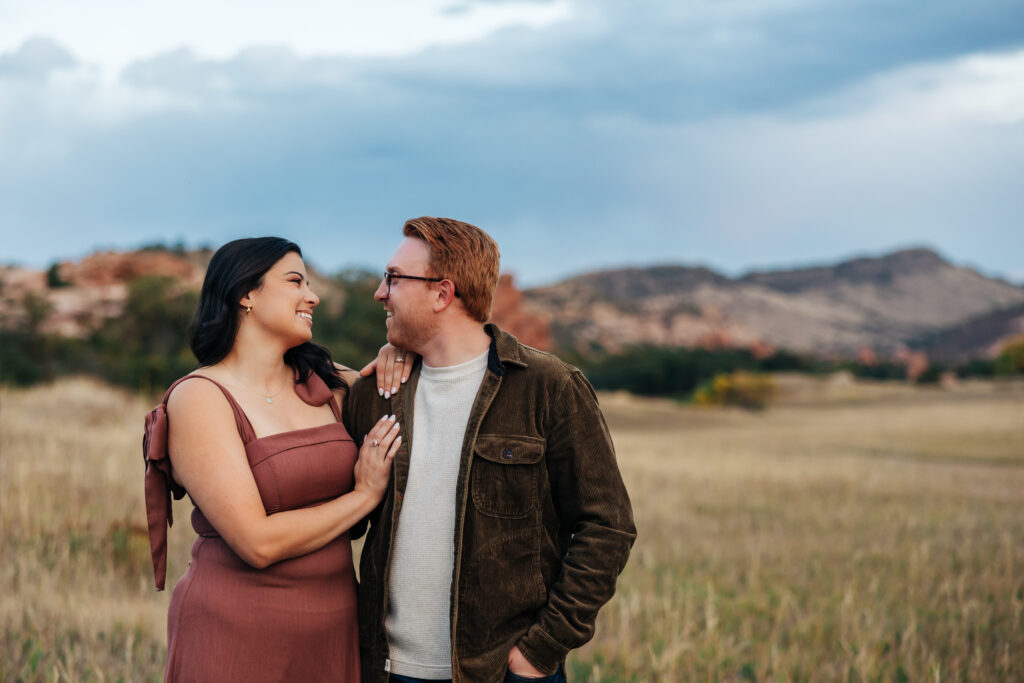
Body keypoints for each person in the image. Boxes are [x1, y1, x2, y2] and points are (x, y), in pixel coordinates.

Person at [344, 217, 636, 683]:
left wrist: (541, 650)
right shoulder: (375, 393)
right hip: (384, 670)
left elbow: (608, 527)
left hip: (502, 672)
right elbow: (351, 522)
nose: (380, 292)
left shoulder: (551, 388)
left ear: (442, 293)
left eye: (394, 278)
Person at [142, 237, 410, 682]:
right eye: (295, 281)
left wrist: (395, 354)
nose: (313, 295)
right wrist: (364, 496)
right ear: (245, 294)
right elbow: (257, 543)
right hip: (235, 632)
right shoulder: (201, 397)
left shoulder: (331, 384)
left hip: (334, 629)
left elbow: (412, 389)